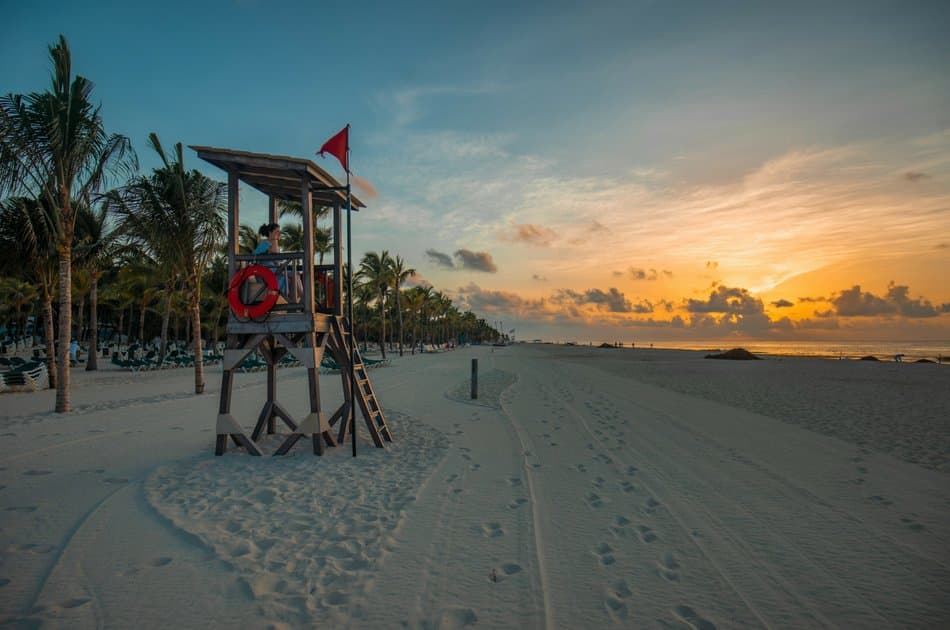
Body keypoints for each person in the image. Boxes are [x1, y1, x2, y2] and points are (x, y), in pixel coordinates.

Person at [253, 223, 302, 298]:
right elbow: (273, 252)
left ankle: (297, 301)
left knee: (296, 274)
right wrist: (275, 239)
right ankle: (304, 299)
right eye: (277, 232)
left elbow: (277, 260)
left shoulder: (272, 244)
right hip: (268, 275)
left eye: (280, 232)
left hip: (275, 272)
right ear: (270, 233)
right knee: (295, 275)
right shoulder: (264, 243)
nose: (279, 234)